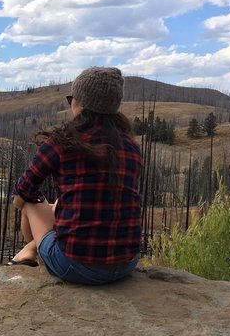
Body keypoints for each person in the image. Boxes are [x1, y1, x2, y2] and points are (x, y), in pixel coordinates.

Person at [8, 66, 142, 285]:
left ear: (79, 103)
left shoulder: (63, 142)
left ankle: (30, 252)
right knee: (62, 202)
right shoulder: (131, 146)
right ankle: (30, 250)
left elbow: (21, 194)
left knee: (30, 203)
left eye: (72, 98)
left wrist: (39, 205)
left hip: (76, 266)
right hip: (126, 263)